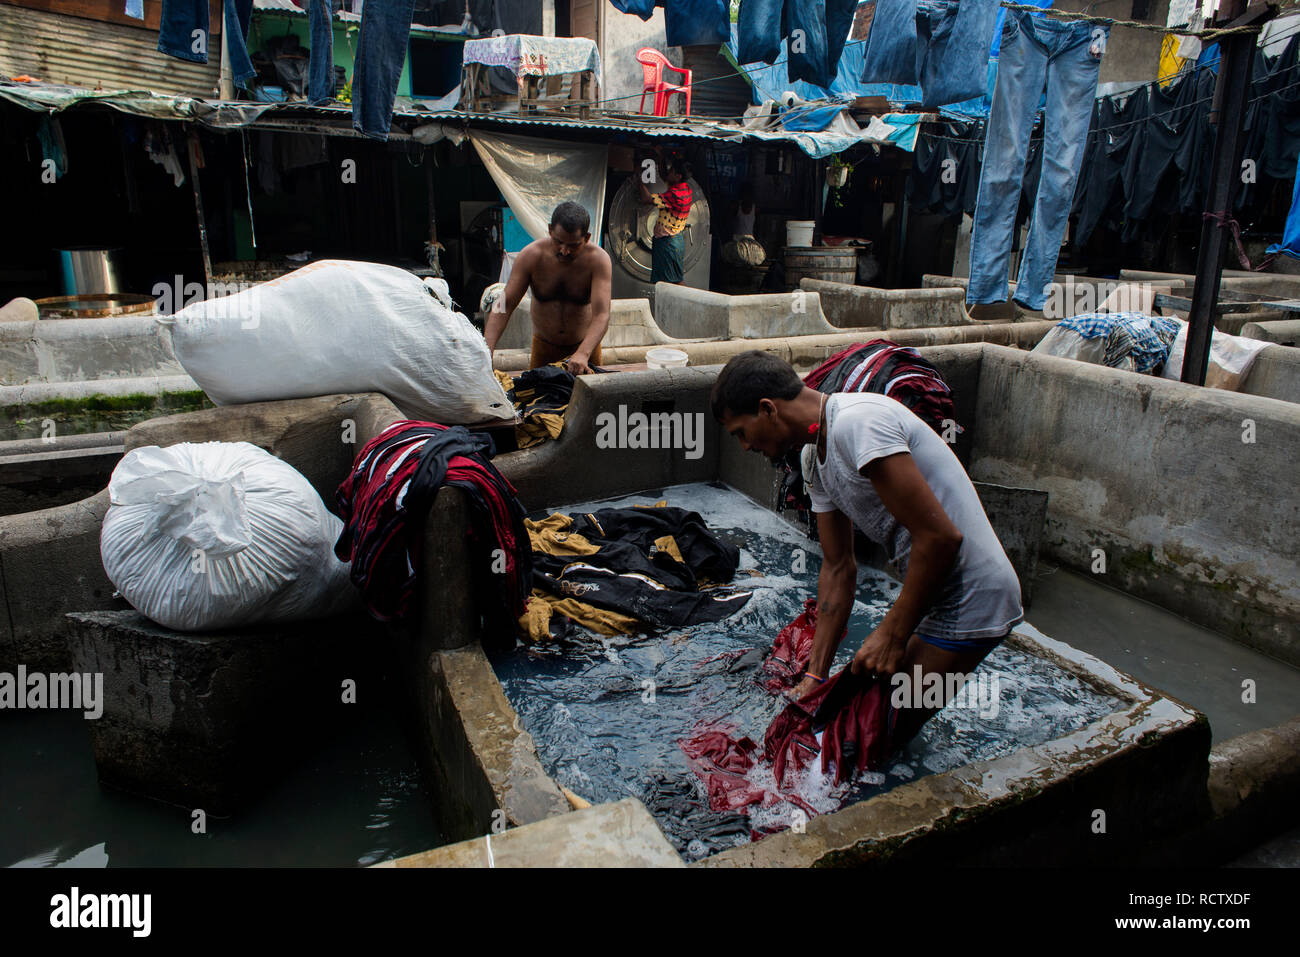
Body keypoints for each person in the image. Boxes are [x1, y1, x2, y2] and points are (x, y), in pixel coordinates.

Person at [711, 351, 1023, 747]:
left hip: (972, 595)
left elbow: (940, 538)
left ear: (768, 409)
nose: (743, 446)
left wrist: (892, 632)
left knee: (863, 743)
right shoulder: (812, 458)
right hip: (931, 593)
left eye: (740, 432)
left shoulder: (858, 425)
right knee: (834, 730)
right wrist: (814, 676)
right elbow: (838, 567)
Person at [485, 201, 612, 374]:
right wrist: (486, 350)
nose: (564, 250)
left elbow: (602, 314)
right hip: (544, 348)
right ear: (550, 230)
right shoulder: (531, 256)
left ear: (587, 238)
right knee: (536, 398)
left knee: (592, 399)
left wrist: (583, 353)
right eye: (558, 242)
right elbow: (503, 305)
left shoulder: (598, 260)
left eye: (573, 245)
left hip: (585, 348)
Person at [637, 154, 694, 285]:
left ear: (678, 176)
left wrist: (639, 180)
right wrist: (660, 155)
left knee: (670, 283)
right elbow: (665, 177)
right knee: (673, 279)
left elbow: (646, 199)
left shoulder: (674, 195)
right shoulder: (685, 189)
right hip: (675, 240)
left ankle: (682, 304)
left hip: (667, 243)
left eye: (672, 171)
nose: (669, 172)